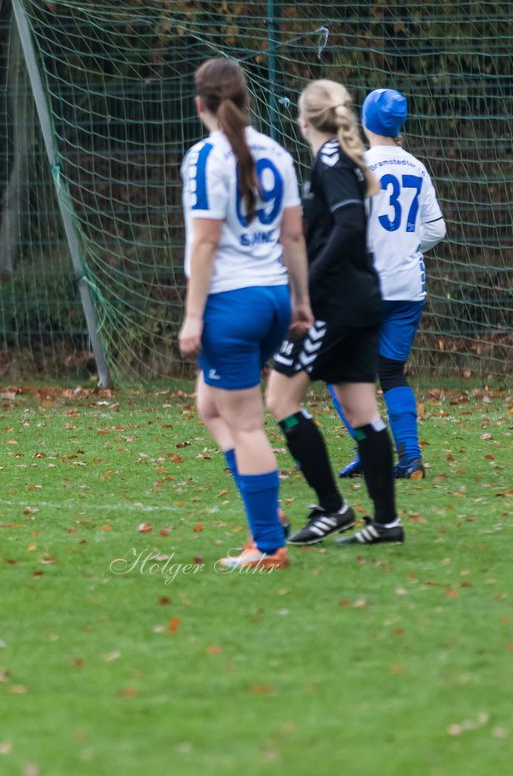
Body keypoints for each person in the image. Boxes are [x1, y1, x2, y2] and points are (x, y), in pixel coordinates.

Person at [176, 58, 311, 571]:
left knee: (247, 425)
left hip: (231, 304)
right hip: (274, 296)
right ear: (246, 101)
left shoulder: (204, 157)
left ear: (199, 104)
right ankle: (267, 513)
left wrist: (193, 317)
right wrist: (300, 300)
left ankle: (268, 544)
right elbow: (293, 235)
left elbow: (206, 242)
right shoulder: (276, 150)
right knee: (211, 407)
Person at [266, 79, 403, 546]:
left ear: (304, 118)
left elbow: (348, 223)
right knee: (360, 409)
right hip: (360, 299)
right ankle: (386, 522)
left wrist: (307, 285)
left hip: (336, 304)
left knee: (281, 401)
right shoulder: (331, 159)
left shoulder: (329, 160)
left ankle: (333, 506)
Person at [330, 88, 445, 480]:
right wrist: (406, 243)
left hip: (367, 286)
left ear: (365, 122)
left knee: (336, 367)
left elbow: (344, 226)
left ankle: (369, 448)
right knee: (392, 371)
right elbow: (437, 228)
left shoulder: (359, 163)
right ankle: (410, 458)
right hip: (409, 286)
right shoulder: (416, 166)